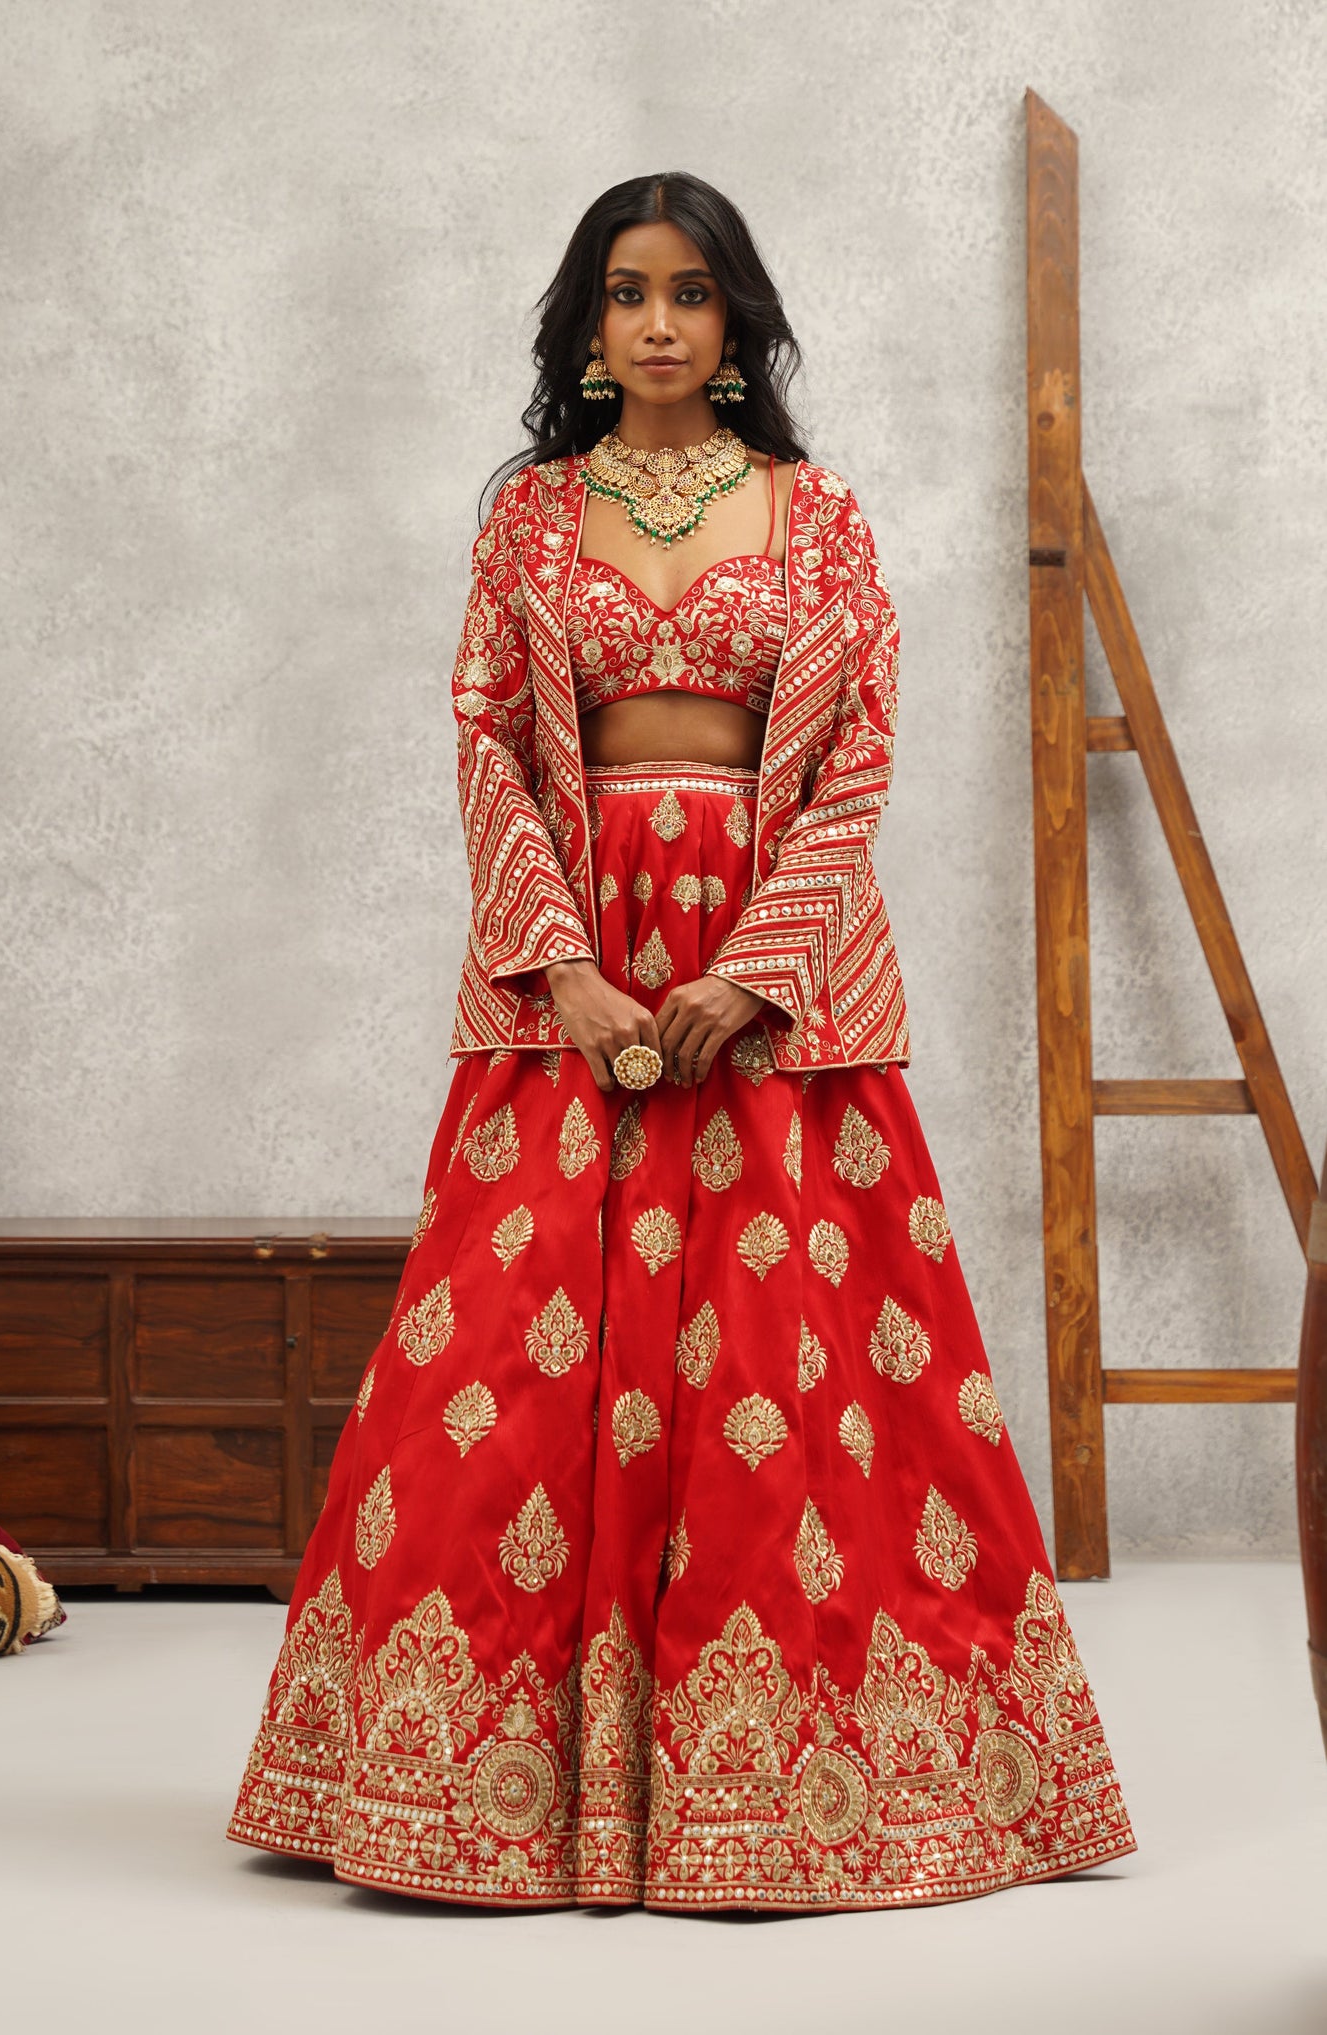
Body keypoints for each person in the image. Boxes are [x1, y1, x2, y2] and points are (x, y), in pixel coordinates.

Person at [228, 171, 1136, 1912]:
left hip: (772, 980)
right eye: (626, 294)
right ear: (582, 326)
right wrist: (557, 966)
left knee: (795, 1373)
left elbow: (858, 755)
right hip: (576, 964)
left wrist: (757, 967)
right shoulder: (528, 519)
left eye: (693, 295)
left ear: (737, 325)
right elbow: (486, 740)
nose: (657, 323)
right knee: (501, 1363)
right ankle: (460, 1791)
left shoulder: (819, 514)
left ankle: (812, 1786)